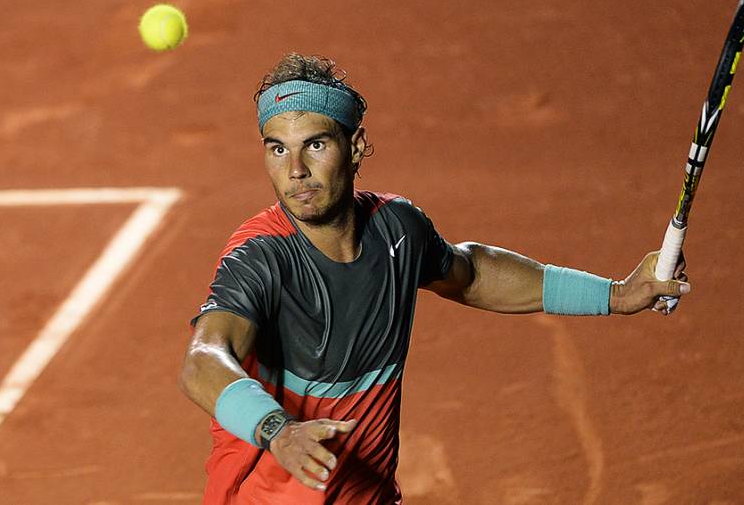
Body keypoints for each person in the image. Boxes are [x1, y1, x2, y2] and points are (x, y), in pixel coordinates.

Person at [179, 53, 689, 504]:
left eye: (314, 145)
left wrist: (616, 295)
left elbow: (469, 275)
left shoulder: (399, 230)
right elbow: (204, 359)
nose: (295, 170)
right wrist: (278, 430)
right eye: (277, 149)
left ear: (355, 147)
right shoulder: (260, 256)